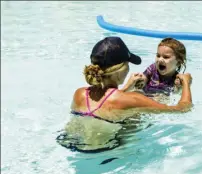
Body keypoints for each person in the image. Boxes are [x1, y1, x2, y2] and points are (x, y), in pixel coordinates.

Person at [56, 36, 193, 152]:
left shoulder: (79, 94)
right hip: (106, 152)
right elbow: (183, 109)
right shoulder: (133, 99)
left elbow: (104, 103)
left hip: (68, 144)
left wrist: (126, 87)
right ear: (121, 70)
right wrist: (186, 83)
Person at [121, 37, 187, 97]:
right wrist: (139, 80)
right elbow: (143, 78)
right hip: (145, 95)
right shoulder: (153, 68)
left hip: (160, 101)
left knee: (163, 98)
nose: (160, 59)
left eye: (166, 57)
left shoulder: (177, 79)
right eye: (158, 55)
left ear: (178, 62)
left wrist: (178, 87)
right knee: (136, 92)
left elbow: (176, 94)